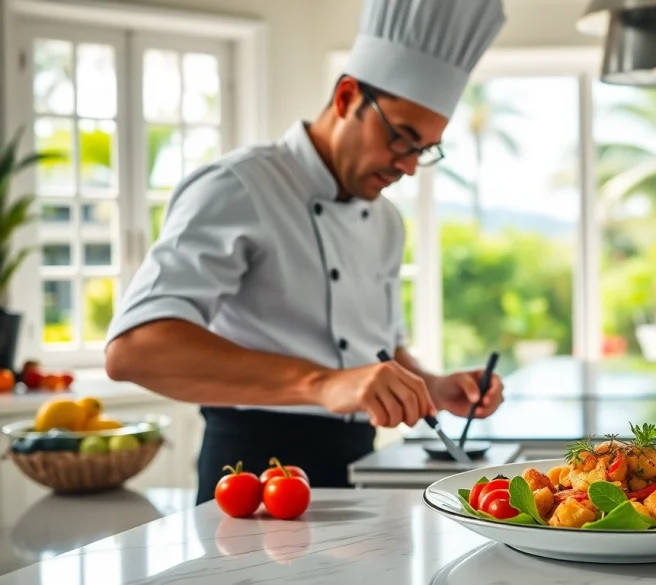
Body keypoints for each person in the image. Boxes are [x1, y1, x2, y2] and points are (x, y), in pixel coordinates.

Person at [103, 0, 508, 504]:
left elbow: (374, 348)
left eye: (423, 150)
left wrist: (432, 386)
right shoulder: (237, 187)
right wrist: (322, 384)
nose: (407, 166)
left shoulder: (384, 221)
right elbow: (135, 351)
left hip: (359, 469)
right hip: (254, 473)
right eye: (401, 138)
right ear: (345, 96)